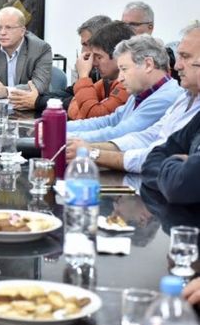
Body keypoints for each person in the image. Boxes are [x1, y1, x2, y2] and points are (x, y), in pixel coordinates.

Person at [66, 24, 200, 172]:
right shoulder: (177, 98)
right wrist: (68, 134)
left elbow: (125, 134)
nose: (177, 66)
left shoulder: (167, 97)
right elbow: (132, 131)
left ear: (148, 64)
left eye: (124, 69)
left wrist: (90, 151)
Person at [67, 34, 182, 143]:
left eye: (124, 69)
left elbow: (119, 134)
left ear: (148, 65)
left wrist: (65, 135)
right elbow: (110, 121)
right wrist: (60, 126)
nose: (119, 78)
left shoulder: (164, 98)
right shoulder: (142, 93)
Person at [9, 15, 120, 112]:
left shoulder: (115, 77)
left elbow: (84, 106)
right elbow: (72, 94)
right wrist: (36, 97)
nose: (83, 51)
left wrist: (37, 101)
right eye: (83, 45)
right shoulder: (96, 71)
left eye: (87, 44)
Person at [141, 23, 200, 204]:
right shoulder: (188, 103)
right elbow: (152, 160)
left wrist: (175, 164)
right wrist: (179, 163)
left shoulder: (168, 94)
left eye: (185, 56)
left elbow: (182, 185)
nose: (177, 66)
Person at [0, 6, 52, 98]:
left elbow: (39, 85)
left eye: (8, 28)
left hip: (29, 108)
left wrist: (7, 91)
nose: (2, 33)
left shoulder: (40, 49)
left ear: (22, 31)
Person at [122, 1, 179, 81]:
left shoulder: (166, 59)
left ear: (150, 26)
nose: (126, 29)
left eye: (133, 25)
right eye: (123, 25)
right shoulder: (116, 57)